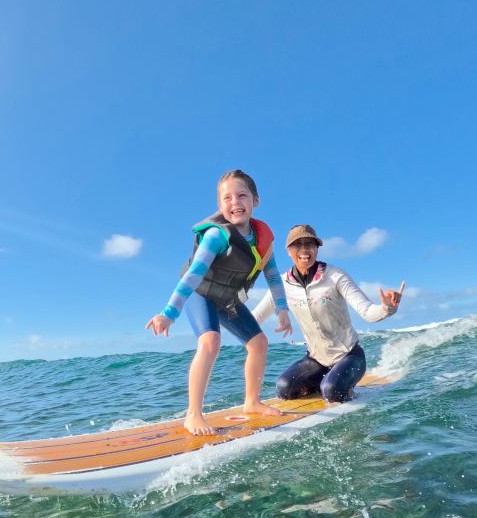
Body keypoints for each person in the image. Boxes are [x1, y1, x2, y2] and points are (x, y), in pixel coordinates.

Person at [146, 169, 293, 435]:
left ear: (255, 200)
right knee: (210, 342)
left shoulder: (264, 241)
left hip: (227, 299)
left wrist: (282, 309)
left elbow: (272, 276)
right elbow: (193, 276)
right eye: (227, 198)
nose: (235, 203)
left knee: (259, 343)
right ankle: (193, 415)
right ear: (219, 205)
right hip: (200, 293)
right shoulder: (217, 236)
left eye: (242, 195)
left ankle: (252, 401)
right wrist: (169, 313)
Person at [252, 224, 404, 403]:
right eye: (297, 244)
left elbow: (368, 312)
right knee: (284, 388)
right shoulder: (282, 285)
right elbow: (256, 317)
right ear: (288, 250)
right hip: (316, 361)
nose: (304, 250)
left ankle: (337, 387)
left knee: (331, 391)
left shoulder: (335, 276)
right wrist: (223, 314)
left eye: (310, 244)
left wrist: (387, 307)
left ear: (317, 248)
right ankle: (328, 382)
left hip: (350, 356)